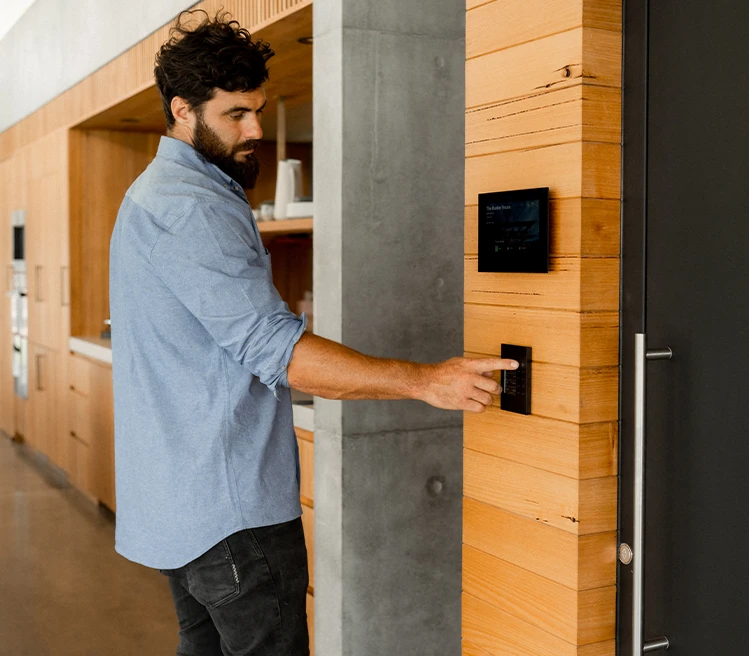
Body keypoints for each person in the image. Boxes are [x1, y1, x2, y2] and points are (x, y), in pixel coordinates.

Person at [108, 10, 517, 656]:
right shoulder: (192, 207)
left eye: (259, 111)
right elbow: (280, 352)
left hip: (181, 514)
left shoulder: (153, 195)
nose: (257, 130)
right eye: (236, 114)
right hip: (231, 518)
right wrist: (425, 380)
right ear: (182, 110)